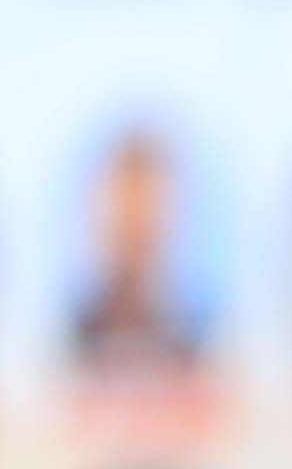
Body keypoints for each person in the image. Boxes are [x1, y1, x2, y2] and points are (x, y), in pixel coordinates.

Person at [71, 125, 211, 376]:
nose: (136, 230)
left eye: (147, 214)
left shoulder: (202, 337)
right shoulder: (67, 337)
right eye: (125, 214)